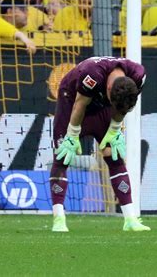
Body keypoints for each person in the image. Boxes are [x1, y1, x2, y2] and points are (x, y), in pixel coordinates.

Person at [50, 56, 150, 232]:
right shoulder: (92, 73)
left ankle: (130, 219)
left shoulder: (138, 75)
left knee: (114, 155)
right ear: (109, 88)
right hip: (72, 101)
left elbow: (123, 106)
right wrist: (72, 135)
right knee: (62, 156)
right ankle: (58, 218)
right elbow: (80, 104)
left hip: (102, 106)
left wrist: (114, 129)